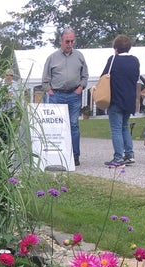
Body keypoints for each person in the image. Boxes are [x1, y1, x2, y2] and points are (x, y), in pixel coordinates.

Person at [42, 29, 88, 167]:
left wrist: (80, 89)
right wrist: (50, 92)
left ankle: (75, 156)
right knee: (56, 127)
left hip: (74, 95)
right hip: (57, 95)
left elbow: (85, 76)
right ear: (60, 41)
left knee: (74, 125)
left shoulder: (79, 56)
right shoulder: (52, 58)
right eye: (67, 41)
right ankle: (55, 156)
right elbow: (45, 79)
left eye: (72, 41)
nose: (69, 44)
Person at [102, 35, 140, 167]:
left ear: (115, 47)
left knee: (116, 129)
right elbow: (135, 78)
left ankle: (118, 157)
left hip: (116, 98)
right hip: (129, 100)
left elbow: (104, 77)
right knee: (124, 126)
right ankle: (129, 154)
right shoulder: (135, 61)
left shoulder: (113, 60)